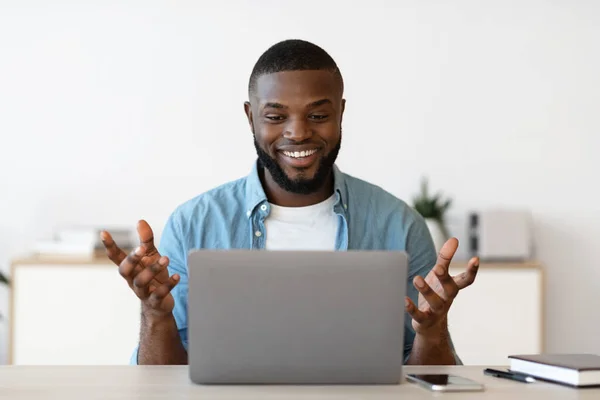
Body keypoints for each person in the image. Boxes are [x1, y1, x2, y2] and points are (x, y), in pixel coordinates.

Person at [101, 39, 479, 366]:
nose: (298, 132)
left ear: (341, 114)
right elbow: (161, 387)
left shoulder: (400, 225)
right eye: (275, 116)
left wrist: (432, 332)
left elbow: (432, 384)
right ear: (251, 118)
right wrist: (156, 316)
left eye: (317, 115)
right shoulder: (192, 224)